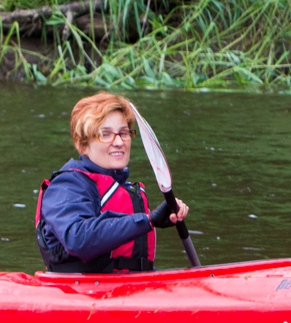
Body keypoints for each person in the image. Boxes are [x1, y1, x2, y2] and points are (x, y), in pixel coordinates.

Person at [35, 92, 188, 273]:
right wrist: (146, 220)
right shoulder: (66, 185)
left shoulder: (123, 187)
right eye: (106, 134)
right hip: (84, 293)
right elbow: (78, 239)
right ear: (83, 145)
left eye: (124, 133)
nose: (118, 142)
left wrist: (155, 218)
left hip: (129, 287)